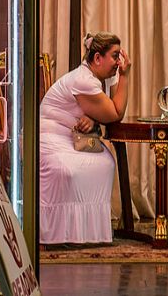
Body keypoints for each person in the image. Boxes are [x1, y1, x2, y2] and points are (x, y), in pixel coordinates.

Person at [39, 31, 131, 244]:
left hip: (71, 136)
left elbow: (109, 115)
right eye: (115, 56)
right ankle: (56, 234)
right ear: (97, 58)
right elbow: (116, 113)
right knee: (68, 170)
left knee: (105, 162)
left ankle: (85, 233)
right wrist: (125, 76)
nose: (119, 62)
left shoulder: (100, 77)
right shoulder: (83, 80)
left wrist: (95, 119)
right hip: (51, 137)